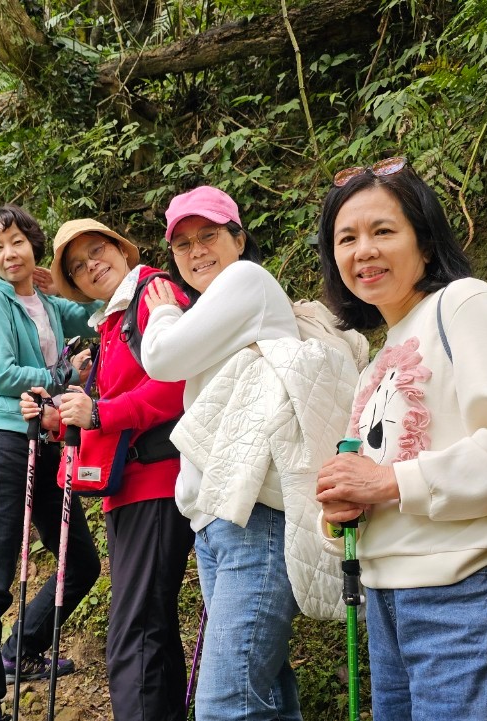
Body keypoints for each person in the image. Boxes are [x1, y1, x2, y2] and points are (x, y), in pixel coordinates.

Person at [311, 160, 487, 720]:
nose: (363, 250)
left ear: (425, 242)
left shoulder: (467, 305)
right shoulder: (381, 355)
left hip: (467, 588)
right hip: (388, 600)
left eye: (383, 231)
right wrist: (341, 511)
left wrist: (388, 482)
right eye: (346, 238)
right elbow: (377, 480)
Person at [139, 186, 307, 721]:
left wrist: (162, 314)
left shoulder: (247, 281)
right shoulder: (220, 307)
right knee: (267, 690)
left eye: (208, 235)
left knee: (225, 702)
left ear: (239, 238)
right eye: (182, 244)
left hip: (253, 514)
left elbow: (161, 358)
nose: (196, 252)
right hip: (220, 518)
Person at [21, 219, 191, 721]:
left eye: (97, 250)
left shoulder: (152, 295)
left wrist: (99, 413)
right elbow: (111, 406)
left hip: (157, 481)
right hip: (130, 487)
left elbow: (178, 384)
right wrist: (61, 419)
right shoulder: (114, 322)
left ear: (119, 248)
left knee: (132, 634)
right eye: (77, 265)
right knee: (148, 627)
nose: (90, 264)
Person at [0, 205, 100, 721]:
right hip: (5, 442)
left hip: (45, 440)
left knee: (82, 562)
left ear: (34, 245)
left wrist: (67, 281)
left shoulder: (41, 300)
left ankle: (21, 650)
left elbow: (100, 311)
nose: (8, 253)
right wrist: (69, 374)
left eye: (16, 241)